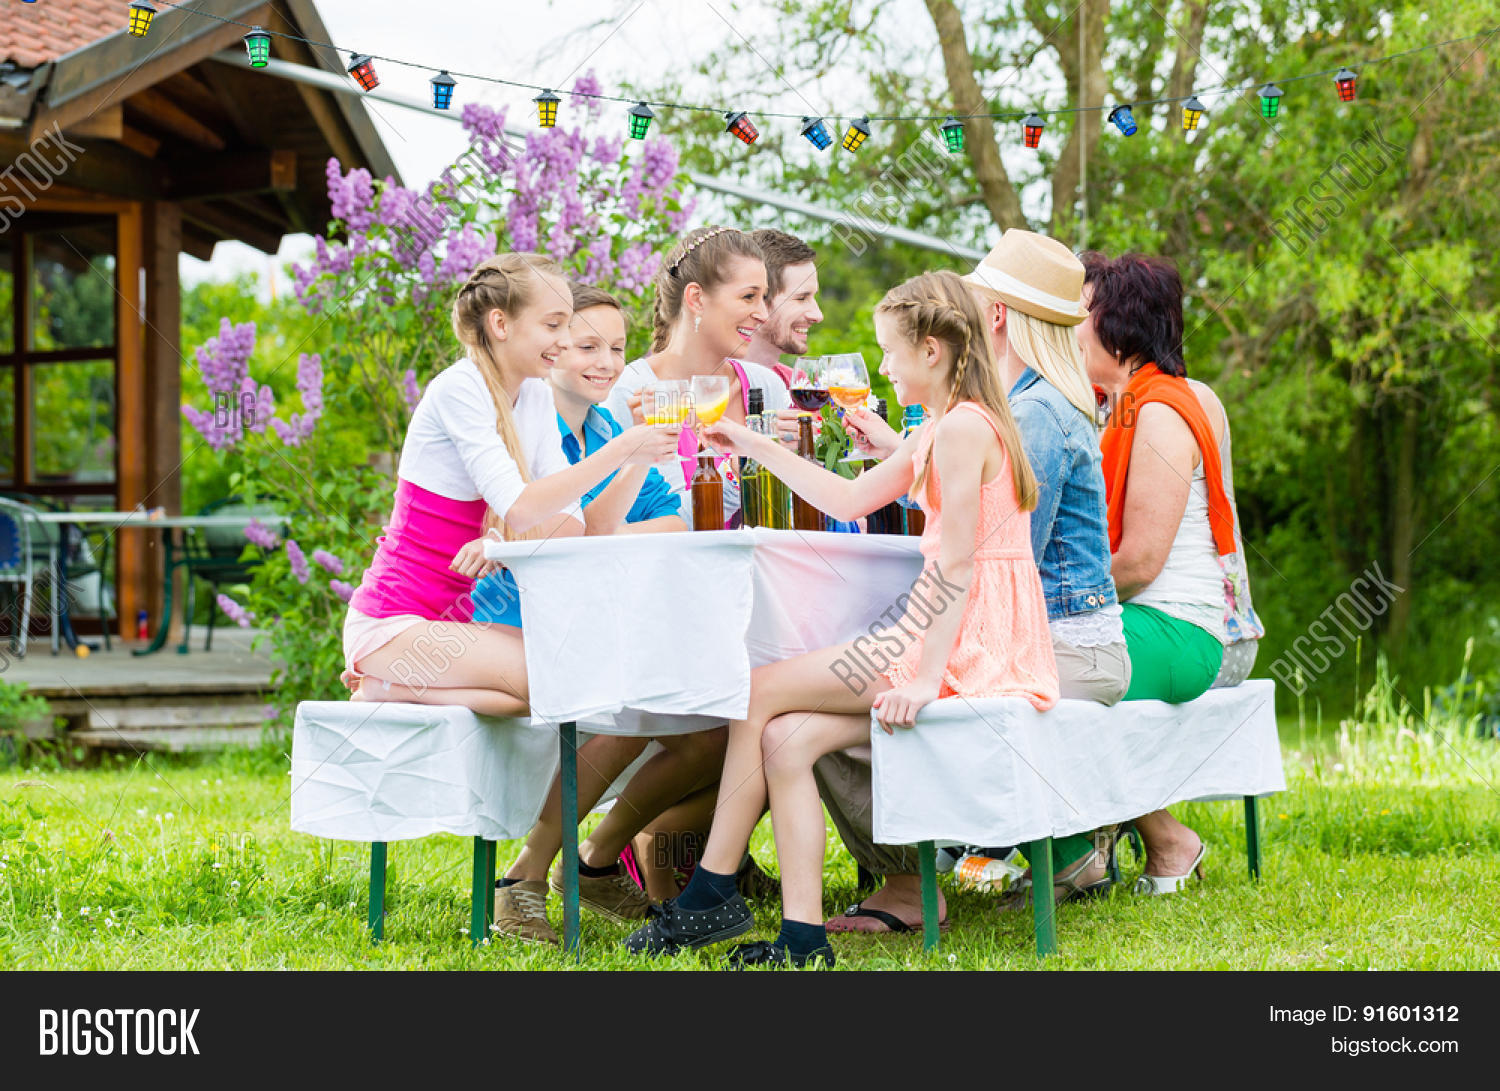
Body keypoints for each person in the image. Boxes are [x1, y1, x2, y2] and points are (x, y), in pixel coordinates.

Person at [622, 270, 1059, 967]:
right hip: (964, 630)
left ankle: (711, 891)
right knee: (788, 737)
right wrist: (751, 441)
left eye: (890, 351)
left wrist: (922, 676)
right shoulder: (950, 425)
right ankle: (802, 939)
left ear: (932, 350)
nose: (883, 365)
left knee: (759, 686)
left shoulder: (960, 431)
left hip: (973, 642)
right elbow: (850, 498)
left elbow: (957, 567)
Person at [820, 230, 1132, 930]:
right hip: (1050, 633)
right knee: (852, 689)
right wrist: (908, 454)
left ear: (992, 316)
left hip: (1057, 643)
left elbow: (1000, 550)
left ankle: (912, 875)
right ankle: (922, 867)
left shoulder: (1032, 413)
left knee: (852, 699)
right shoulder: (1021, 404)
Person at [343, 252, 677, 715]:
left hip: (451, 626)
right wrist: (621, 449)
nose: (562, 341)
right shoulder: (461, 389)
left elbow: (575, 530)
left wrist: (636, 458)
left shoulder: (534, 395)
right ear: (501, 323)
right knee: (560, 677)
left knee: (571, 676)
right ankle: (385, 681)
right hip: (394, 621)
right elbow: (520, 508)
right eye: (553, 325)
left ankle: (389, 687)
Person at [1077, 250, 1262, 894]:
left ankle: (1095, 850)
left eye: (1079, 313)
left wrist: (1049, 598)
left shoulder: (1156, 412)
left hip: (1190, 628)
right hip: (1196, 621)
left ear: (1117, 327)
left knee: (1043, 658)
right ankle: (1096, 846)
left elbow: (1138, 564)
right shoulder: (1130, 403)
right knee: (1049, 655)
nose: (1067, 327)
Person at [604, 225, 791, 524]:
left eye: (764, 297)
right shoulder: (634, 392)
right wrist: (737, 470)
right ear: (696, 299)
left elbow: (788, 511)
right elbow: (670, 521)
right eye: (748, 297)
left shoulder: (765, 385)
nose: (763, 315)